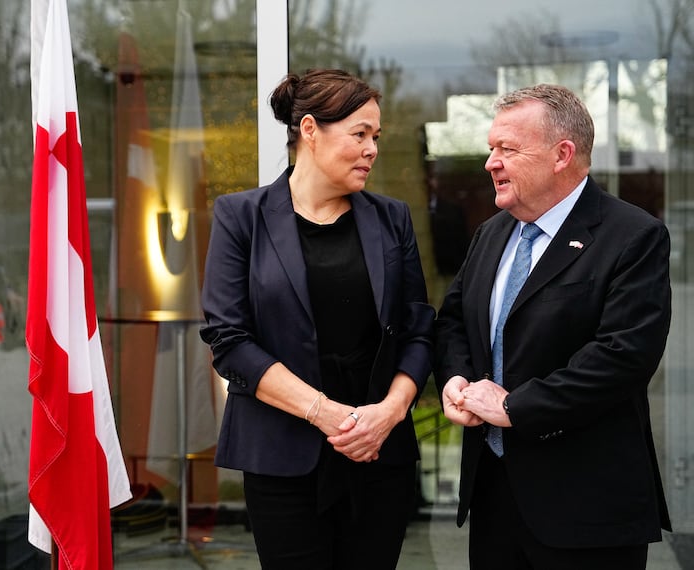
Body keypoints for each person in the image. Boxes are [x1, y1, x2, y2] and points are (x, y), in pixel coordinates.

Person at [199, 68, 435, 569]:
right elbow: (229, 340)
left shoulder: (392, 218)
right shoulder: (240, 217)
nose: (372, 148)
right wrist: (328, 414)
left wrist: (388, 414)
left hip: (378, 452)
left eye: (376, 136)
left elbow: (418, 329)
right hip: (283, 460)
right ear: (309, 130)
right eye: (359, 134)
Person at [435, 83, 672, 570]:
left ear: (562, 154)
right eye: (490, 149)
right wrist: (456, 380)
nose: (490, 163)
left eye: (507, 149)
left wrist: (513, 406)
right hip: (495, 501)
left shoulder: (633, 237)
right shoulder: (491, 233)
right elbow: (455, 320)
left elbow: (622, 356)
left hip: (587, 508)